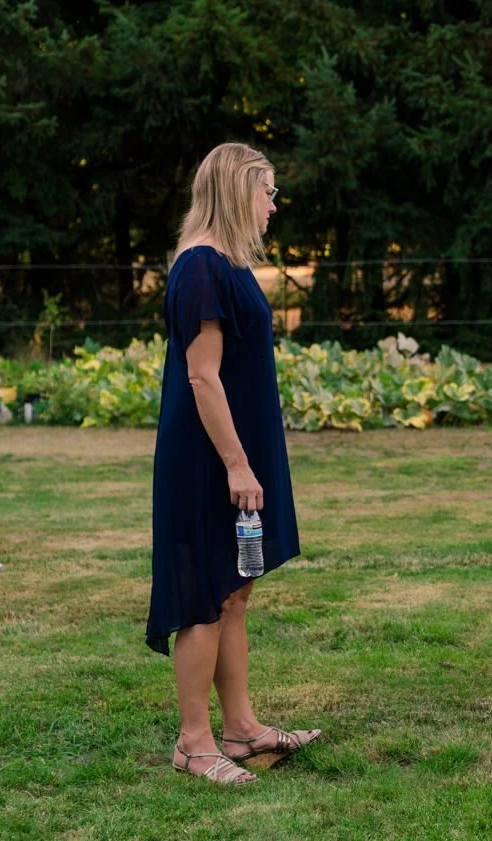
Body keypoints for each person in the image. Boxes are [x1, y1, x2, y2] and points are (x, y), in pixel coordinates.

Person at [147, 142, 320, 785]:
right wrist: (238, 465)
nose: (273, 205)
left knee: (235, 590)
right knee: (204, 593)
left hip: (238, 453)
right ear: (233, 191)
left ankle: (242, 729)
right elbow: (202, 377)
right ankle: (193, 743)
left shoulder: (231, 264)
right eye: (265, 191)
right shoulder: (199, 268)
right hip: (208, 458)